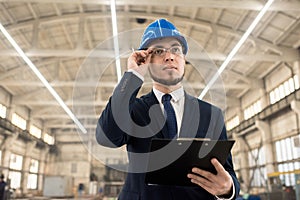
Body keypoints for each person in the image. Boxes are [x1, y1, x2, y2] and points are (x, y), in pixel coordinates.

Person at [96, 18, 240, 200]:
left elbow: (227, 173)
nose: (169, 56)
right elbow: (106, 137)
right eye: (158, 51)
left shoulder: (211, 115)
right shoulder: (134, 110)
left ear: (183, 59)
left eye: (175, 50)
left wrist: (228, 189)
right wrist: (133, 76)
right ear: (146, 60)